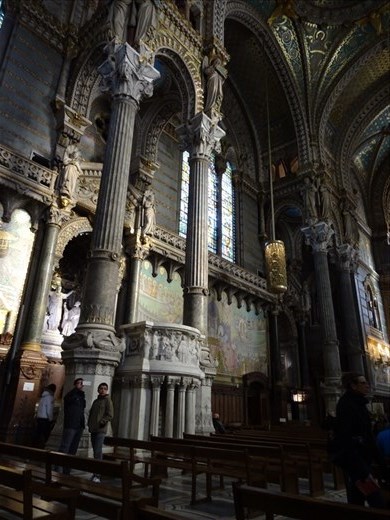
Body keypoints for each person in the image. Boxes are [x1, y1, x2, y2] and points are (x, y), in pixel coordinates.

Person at [331, 372, 385, 508]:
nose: (367, 385)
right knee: (376, 500)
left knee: (357, 499)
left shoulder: (358, 403)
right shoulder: (347, 405)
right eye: (363, 383)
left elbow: (367, 435)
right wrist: (363, 470)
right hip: (357, 462)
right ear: (353, 386)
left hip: (361, 460)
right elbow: (347, 438)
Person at [58, 378, 86, 473]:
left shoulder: (81, 396)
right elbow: (67, 399)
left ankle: (67, 470)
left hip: (79, 425)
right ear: (75, 385)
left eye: (82, 383)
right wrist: (76, 391)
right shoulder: (71, 395)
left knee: (73, 449)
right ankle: (58, 469)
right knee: (65, 447)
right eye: (79, 383)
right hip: (70, 424)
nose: (81, 385)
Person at [88, 382, 114, 482]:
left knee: (98, 451)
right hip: (93, 429)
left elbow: (110, 414)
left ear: (107, 390)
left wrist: (102, 422)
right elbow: (92, 414)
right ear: (98, 390)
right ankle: (95, 473)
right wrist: (90, 424)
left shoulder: (108, 401)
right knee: (95, 451)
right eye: (101, 388)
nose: (103, 390)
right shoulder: (96, 401)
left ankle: (97, 475)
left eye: (105, 388)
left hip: (101, 430)